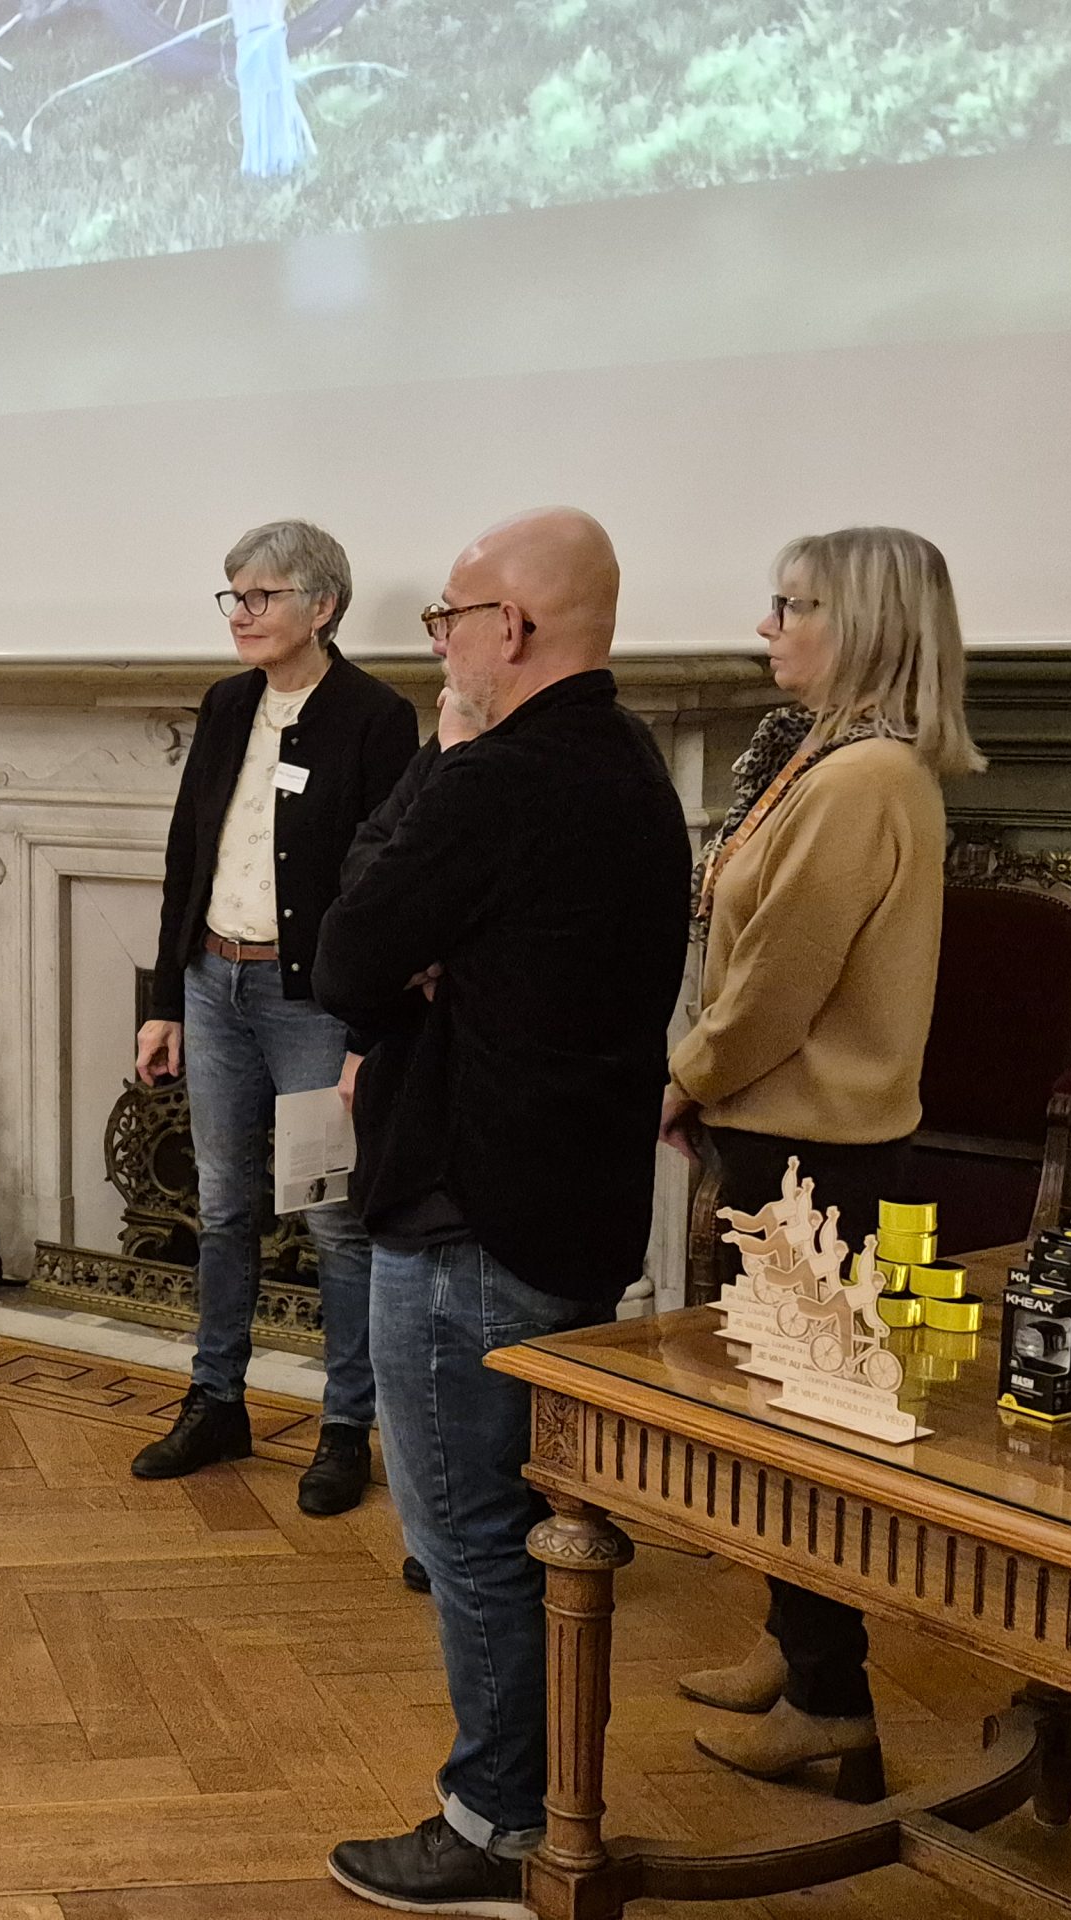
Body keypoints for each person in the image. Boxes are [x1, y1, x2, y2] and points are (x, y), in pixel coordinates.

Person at [315, 510, 692, 1914]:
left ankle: (496, 1822)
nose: (440, 647)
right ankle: (542, 1802)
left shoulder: (495, 778)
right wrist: (435, 960)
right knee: (542, 1538)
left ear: (511, 629)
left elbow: (347, 956)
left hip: (466, 1215)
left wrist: (441, 771)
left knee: (469, 1535)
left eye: (449, 618)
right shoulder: (632, 766)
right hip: (577, 1205)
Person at [662, 527, 980, 1795]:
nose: (767, 626)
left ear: (865, 625)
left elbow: (774, 984)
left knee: (809, 1425)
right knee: (787, 1411)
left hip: (814, 1154)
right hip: (790, 1136)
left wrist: (685, 1077)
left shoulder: (862, 780)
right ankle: (794, 1647)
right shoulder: (825, 759)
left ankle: (832, 1706)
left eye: (792, 606)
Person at [132, 520, 414, 1511]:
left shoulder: (375, 717)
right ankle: (216, 1401)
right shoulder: (226, 705)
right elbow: (187, 852)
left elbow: (383, 883)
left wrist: (366, 1031)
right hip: (214, 984)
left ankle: (344, 1427)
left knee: (333, 1219)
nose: (241, 615)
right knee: (221, 1208)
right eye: (234, 597)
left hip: (312, 1004)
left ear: (321, 605)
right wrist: (165, 1001)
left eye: (261, 597)